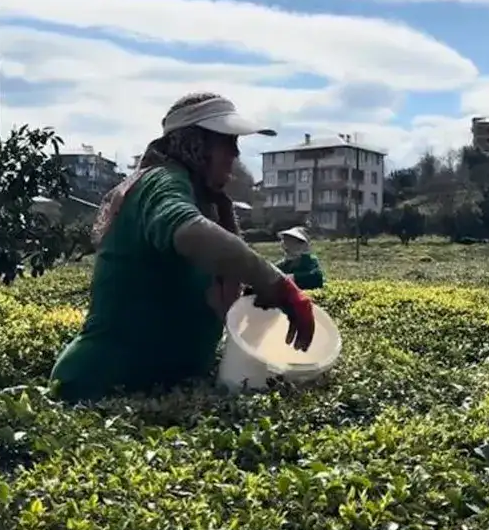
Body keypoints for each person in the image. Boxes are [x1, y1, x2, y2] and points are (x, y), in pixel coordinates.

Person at [49, 93, 315, 402]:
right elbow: (189, 231)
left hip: (161, 394)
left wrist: (251, 296)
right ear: (195, 144)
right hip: (100, 390)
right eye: (225, 142)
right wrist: (274, 281)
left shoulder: (202, 199)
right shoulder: (162, 182)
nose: (235, 153)